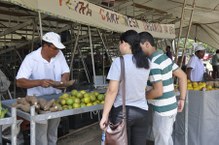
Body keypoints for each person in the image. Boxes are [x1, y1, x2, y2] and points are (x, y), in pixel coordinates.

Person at [16, 32, 70, 145]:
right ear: (45, 46)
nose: (57, 51)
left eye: (58, 49)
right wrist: (39, 82)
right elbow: (19, 82)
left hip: (55, 100)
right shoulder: (31, 59)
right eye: (55, 48)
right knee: (41, 133)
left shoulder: (59, 54)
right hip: (38, 103)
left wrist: (64, 80)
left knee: (53, 131)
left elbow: (66, 71)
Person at [99, 30, 150, 145]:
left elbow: (112, 91)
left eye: (120, 43)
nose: (119, 46)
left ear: (125, 44)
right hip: (142, 112)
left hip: (123, 113)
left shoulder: (119, 62)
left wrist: (105, 115)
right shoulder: (146, 62)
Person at [139, 32, 187, 145]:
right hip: (170, 107)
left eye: (138, 47)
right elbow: (183, 76)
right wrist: (182, 99)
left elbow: (158, 91)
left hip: (162, 111)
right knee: (166, 139)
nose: (137, 50)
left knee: (162, 141)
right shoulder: (164, 58)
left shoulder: (153, 63)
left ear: (146, 44)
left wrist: (142, 96)